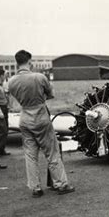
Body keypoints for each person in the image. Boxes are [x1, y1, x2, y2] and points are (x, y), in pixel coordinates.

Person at [8, 50, 75, 197]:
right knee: (52, 152)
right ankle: (61, 184)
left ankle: (35, 188)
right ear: (29, 62)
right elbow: (51, 94)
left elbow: (14, 99)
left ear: (17, 62)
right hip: (40, 116)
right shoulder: (39, 77)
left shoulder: (11, 81)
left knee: (30, 155)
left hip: (24, 117)